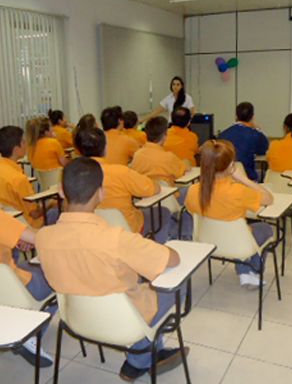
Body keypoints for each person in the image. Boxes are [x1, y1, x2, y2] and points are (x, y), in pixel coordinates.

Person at [35, 157, 189, 381]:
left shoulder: (43, 238)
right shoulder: (115, 239)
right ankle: (140, 358)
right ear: (101, 193)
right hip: (125, 323)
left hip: (76, 320)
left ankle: (143, 356)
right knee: (177, 282)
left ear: (60, 191)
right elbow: (172, 259)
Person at [185, 140, 274, 289]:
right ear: (231, 165)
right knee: (265, 228)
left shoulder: (194, 190)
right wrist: (243, 179)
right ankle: (250, 271)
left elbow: (192, 213)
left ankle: (245, 271)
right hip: (238, 244)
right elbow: (269, 199)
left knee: (243, 231)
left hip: (208, 242)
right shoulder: (238, 191)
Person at [74, 127, 171, 244]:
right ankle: (153, 252)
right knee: (163, 212)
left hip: (90, 230)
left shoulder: (73, 174)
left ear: (78, 150)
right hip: (126, 229)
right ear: (105, 147)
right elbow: (152, 189)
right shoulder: (121, 172)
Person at [0, 208, 54, 367]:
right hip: (11, 290)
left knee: (19, 262)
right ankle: (30, 334)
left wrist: (16, 238)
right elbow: (42, 240)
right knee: (57, 276)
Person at [0, 126, 58, 228]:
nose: (26, 145)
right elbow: (34, 214)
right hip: (28, 226)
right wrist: (50, 204)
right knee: (58, 211)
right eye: (24, 142)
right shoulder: (19, 180)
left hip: (6, 224)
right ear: (17, 149)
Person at [219, 102, 269, 181]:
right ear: (253, 118)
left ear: (236, 117)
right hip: (247, 178)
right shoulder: (254, 134)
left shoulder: (223, 134)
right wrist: (258, 129)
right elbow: (263, 150)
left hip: (226, 178)